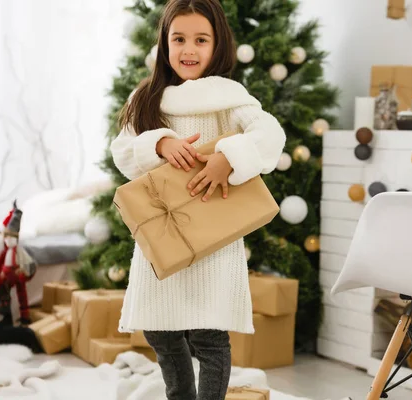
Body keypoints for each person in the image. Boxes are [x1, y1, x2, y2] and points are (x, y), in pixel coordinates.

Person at [109, 0, 286, 399]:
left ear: (217, 44)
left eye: (200, 39)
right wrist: (159, 143)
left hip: (215, 242)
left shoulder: (229, 97)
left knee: (209, 335)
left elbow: (270, 135)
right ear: (165, 43)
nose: (189, 50)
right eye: (179, 39)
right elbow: (122, 152)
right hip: (163, 234)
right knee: (159, 328)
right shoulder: (149, 97)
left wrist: (230, 157)